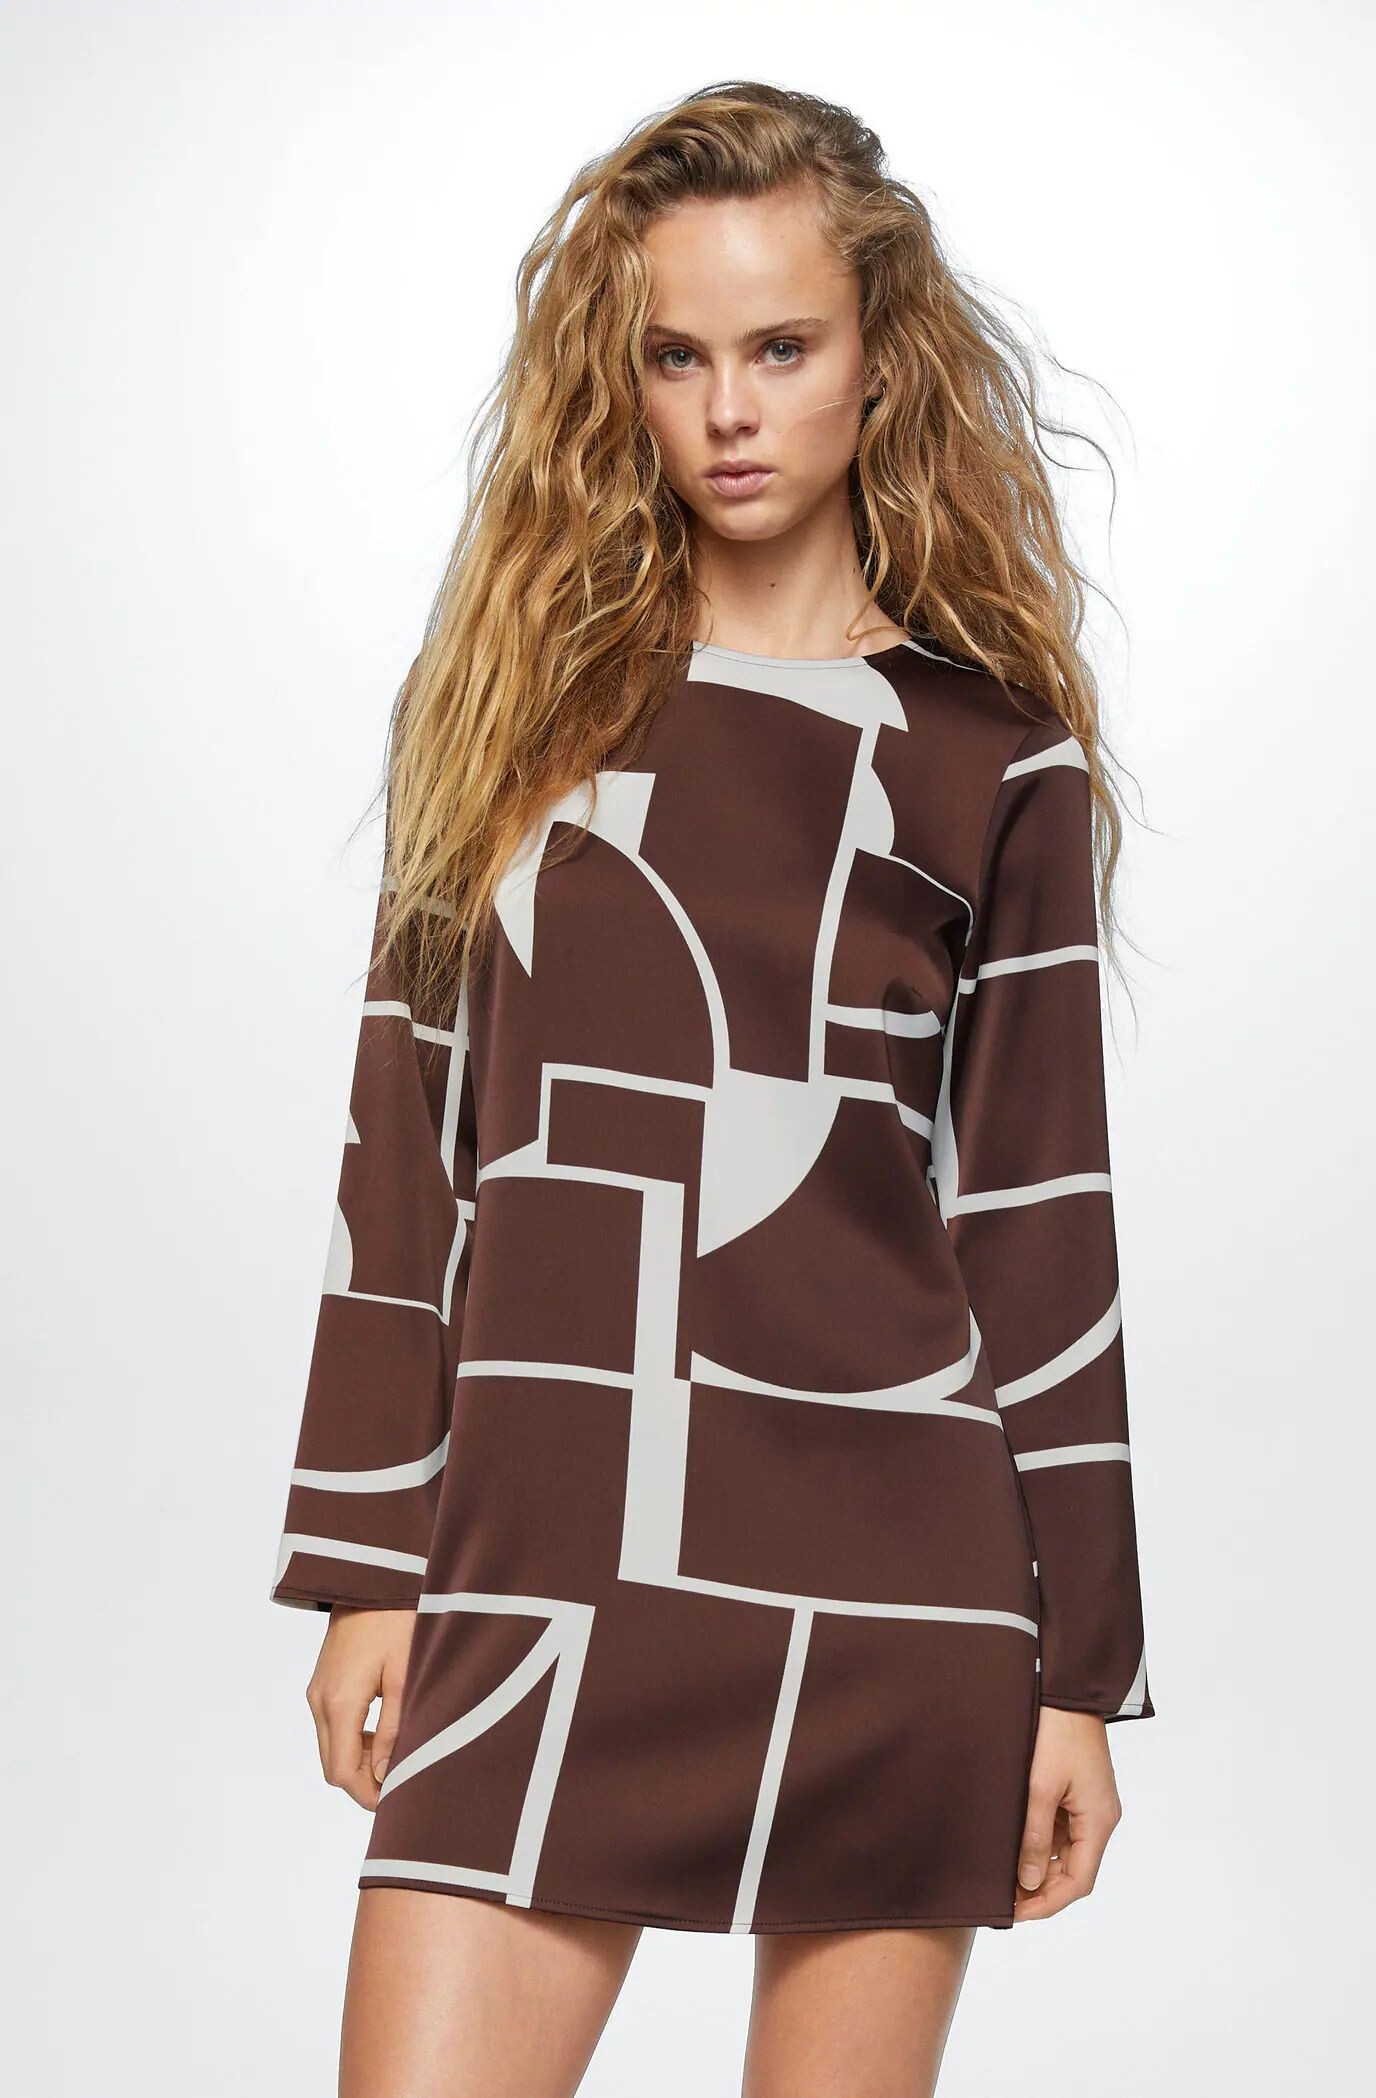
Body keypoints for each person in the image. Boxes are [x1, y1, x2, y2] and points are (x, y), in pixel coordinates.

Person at [268, 78, 1154, 2098]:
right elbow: (403, 1145)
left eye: (783, 348)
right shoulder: (512, 713)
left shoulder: (985, 759)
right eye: (678, 357)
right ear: (625, 376)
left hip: (893, 1588)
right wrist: (367, 1560)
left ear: (879, 359)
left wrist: (1076, 1675)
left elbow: (1041, 1223)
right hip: (544, 1555)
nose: (730, 410)